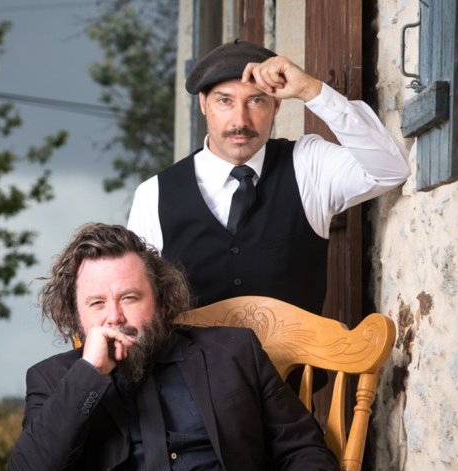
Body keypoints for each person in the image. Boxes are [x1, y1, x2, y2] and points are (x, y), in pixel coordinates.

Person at [8, 222, 347, 471]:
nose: (114, 317)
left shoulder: (232, 353)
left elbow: (297, 442)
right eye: (97, 303)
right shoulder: (54, 379)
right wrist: (90, 373)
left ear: (161, 300)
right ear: (75, 315)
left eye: (129, 298)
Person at [128, 39, 410, 314]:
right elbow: (133, 299)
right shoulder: (154, 195)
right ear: (203, 104)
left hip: (297, 350)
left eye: (256, 101)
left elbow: (391, 169)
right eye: (225, 101)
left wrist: (310, 89)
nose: (240, 121)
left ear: (276, 105)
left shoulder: (307, 164)